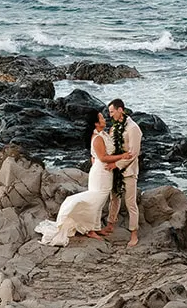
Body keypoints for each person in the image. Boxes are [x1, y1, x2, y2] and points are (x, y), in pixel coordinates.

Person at [35, 109, 125, 246]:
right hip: (101, 172)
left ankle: (95, 227)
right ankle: (88, 229)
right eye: (101, 118)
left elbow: (96, 155)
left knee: (99, 201)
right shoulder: (98, 138)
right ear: (96, 123)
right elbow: (103, 157)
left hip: (104, 172)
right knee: (96, 199)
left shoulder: (102, 134)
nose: (105, 119)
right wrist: (122, 157)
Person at [98, 98, 142, 247]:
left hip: (129, 170)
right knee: (114, 198)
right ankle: (110, 225)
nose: (110, 115)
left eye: (112, 112)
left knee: (130, 203)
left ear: (120, 110)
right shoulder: (115, 127)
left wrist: (116, 164)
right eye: (109, 112)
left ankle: (134, 234)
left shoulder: (133, 128)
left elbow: (133, 153)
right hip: (116, 170)